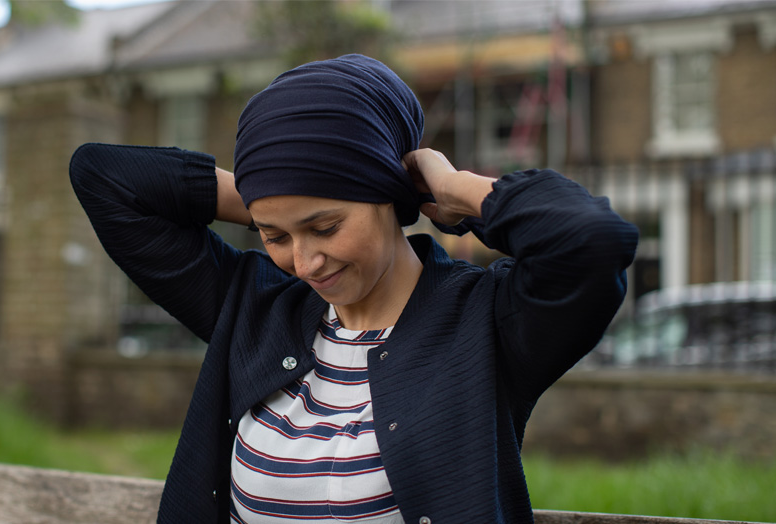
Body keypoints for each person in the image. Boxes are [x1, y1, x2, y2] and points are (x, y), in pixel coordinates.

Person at [70, 54, 638, 524]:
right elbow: (102, 176)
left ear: (389, 194)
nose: (305, 261)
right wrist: (278, 190)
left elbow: (591, 241)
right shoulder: (252, 308)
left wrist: (450, 185)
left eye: (325, 227)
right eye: (275, 236)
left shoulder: (487, 325)